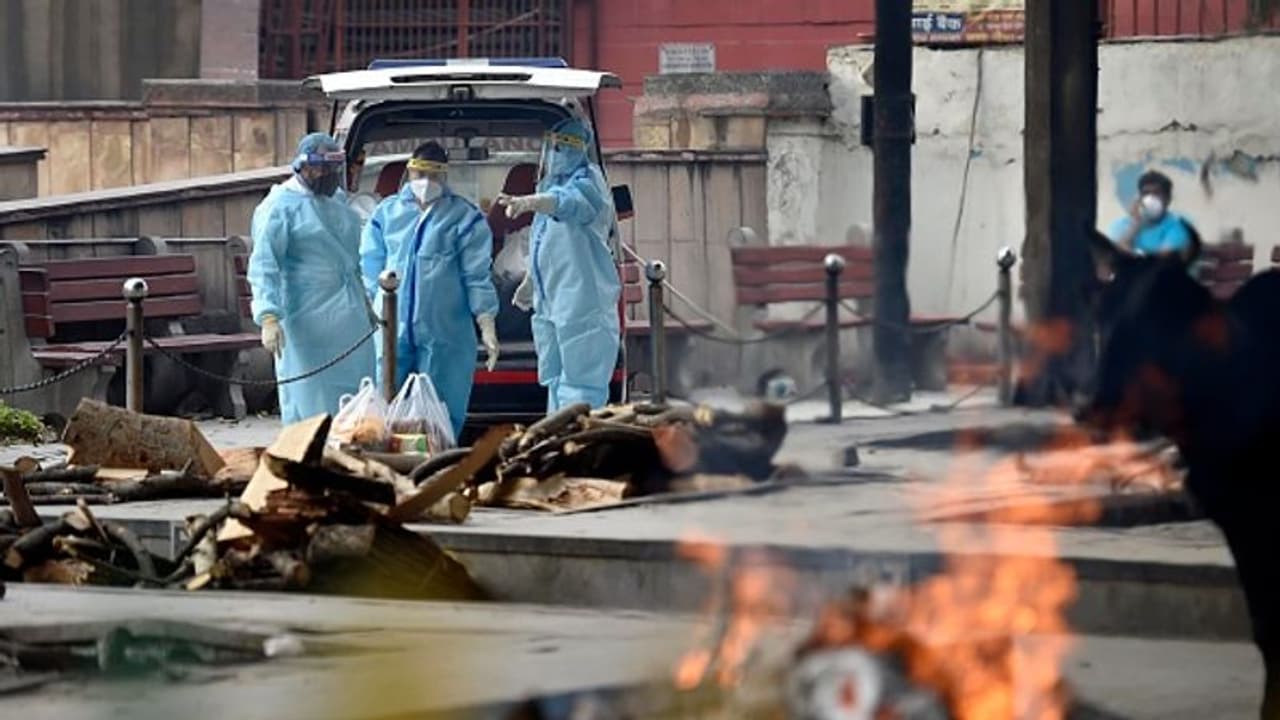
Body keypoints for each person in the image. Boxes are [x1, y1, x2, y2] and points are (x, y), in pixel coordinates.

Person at [360, 141, 499, 438]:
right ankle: (392, 468)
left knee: (441, 408)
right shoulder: (386, 214)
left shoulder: (465, 217)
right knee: (388, 402)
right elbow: (370, 264)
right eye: (419, 173)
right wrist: (370, 305)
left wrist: (486, 320)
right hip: (391, 327)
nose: (425, 182)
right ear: (408, 172)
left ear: (445, 177)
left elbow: (476, 274)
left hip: (444, 332)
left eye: (433, 175)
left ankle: (440, 466)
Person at [247, 132, 377, 424]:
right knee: (309, 400)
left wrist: (366, 303)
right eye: (320, 168)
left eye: (332, 169)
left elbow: (351, 259)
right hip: (307, 321)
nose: (326, 175)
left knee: (357, 399)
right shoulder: (279, 206)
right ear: (302, 166)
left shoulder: (337, 202)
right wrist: (268, 316)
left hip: (351, 319)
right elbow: (265, 264)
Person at [497, 118, 620, 412]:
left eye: (565, 147)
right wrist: (531, 284)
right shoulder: (550, 182)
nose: (556, 153)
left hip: (583, 304)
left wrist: (534, 201)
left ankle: (577, 450)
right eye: (553, 146)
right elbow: (542, 243)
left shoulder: (589, 181)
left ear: (581, 149)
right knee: (554, 379)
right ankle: (555, 444)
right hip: (553, 303)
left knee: (581, 386)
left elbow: (571, 204)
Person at [1106, 170, 1197, 262]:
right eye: (1146, 193)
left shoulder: (1178, 227)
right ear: (1139, 198)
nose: (1150, 198)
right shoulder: (1121, 224)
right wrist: (1135, 224)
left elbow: (1161, 263)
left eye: (1156, 193)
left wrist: (1130, 253)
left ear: (1168, 199)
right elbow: (1115, 255)